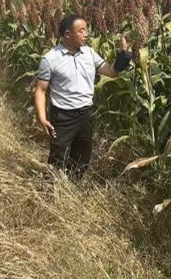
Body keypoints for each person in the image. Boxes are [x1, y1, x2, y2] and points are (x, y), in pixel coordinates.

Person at [34, 13, 134, 180]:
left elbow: (111, 71)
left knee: (81, 160)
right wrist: (42, 119)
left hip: (85, 114)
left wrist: (124, 53)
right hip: (63, 116)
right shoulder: (50, 59)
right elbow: (40, 91)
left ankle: (73, 188)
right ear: (67, 34)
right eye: (81, 31)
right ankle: (49, 190)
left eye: (86, 30)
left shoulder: (89, 53)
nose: (86, 34)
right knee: (57, 159)